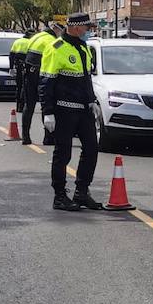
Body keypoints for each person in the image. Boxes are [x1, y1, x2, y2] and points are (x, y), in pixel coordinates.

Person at [40, 13, 101, 211]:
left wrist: (91, 100)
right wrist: (47, 112)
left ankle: (81, 191)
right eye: (86, 27)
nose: (88, 31)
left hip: (84, 110)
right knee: (63, 154)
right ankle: (59, 196)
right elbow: (47, 81)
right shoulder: (56, 48)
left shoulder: (84, 47)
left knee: (91, 149)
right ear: (75, 27)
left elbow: (86, 78)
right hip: (63, 110)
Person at [24, 21, 62, 146]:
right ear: (57, 30)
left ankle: (25, 137)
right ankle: (48, 138)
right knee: (46, 104)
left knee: (29, 105)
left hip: (29, 72)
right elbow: (58, 56)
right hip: (42, 73)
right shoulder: (53, 41)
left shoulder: (36, 37)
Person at [10, 30, 34, 113]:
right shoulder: (31, 42)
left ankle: (18, 106)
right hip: (28, 67)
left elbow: (11, 55)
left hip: (18, 67)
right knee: (26, 87)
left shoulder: (17, 42)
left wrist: (11, 68)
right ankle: (23, 105)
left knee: (19, 86)